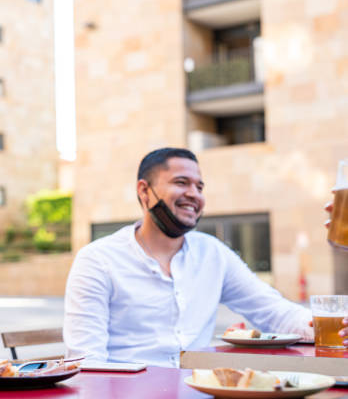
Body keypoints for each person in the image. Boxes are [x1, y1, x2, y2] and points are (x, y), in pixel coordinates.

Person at [64, 147, 348, 368]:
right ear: (144, 191)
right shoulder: (98, 260)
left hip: (199, 391)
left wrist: (331, 326)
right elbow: (87, 364)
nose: (194, 194)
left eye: (200, 187)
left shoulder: (212, 253)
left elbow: (272, 311)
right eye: (181, 182)